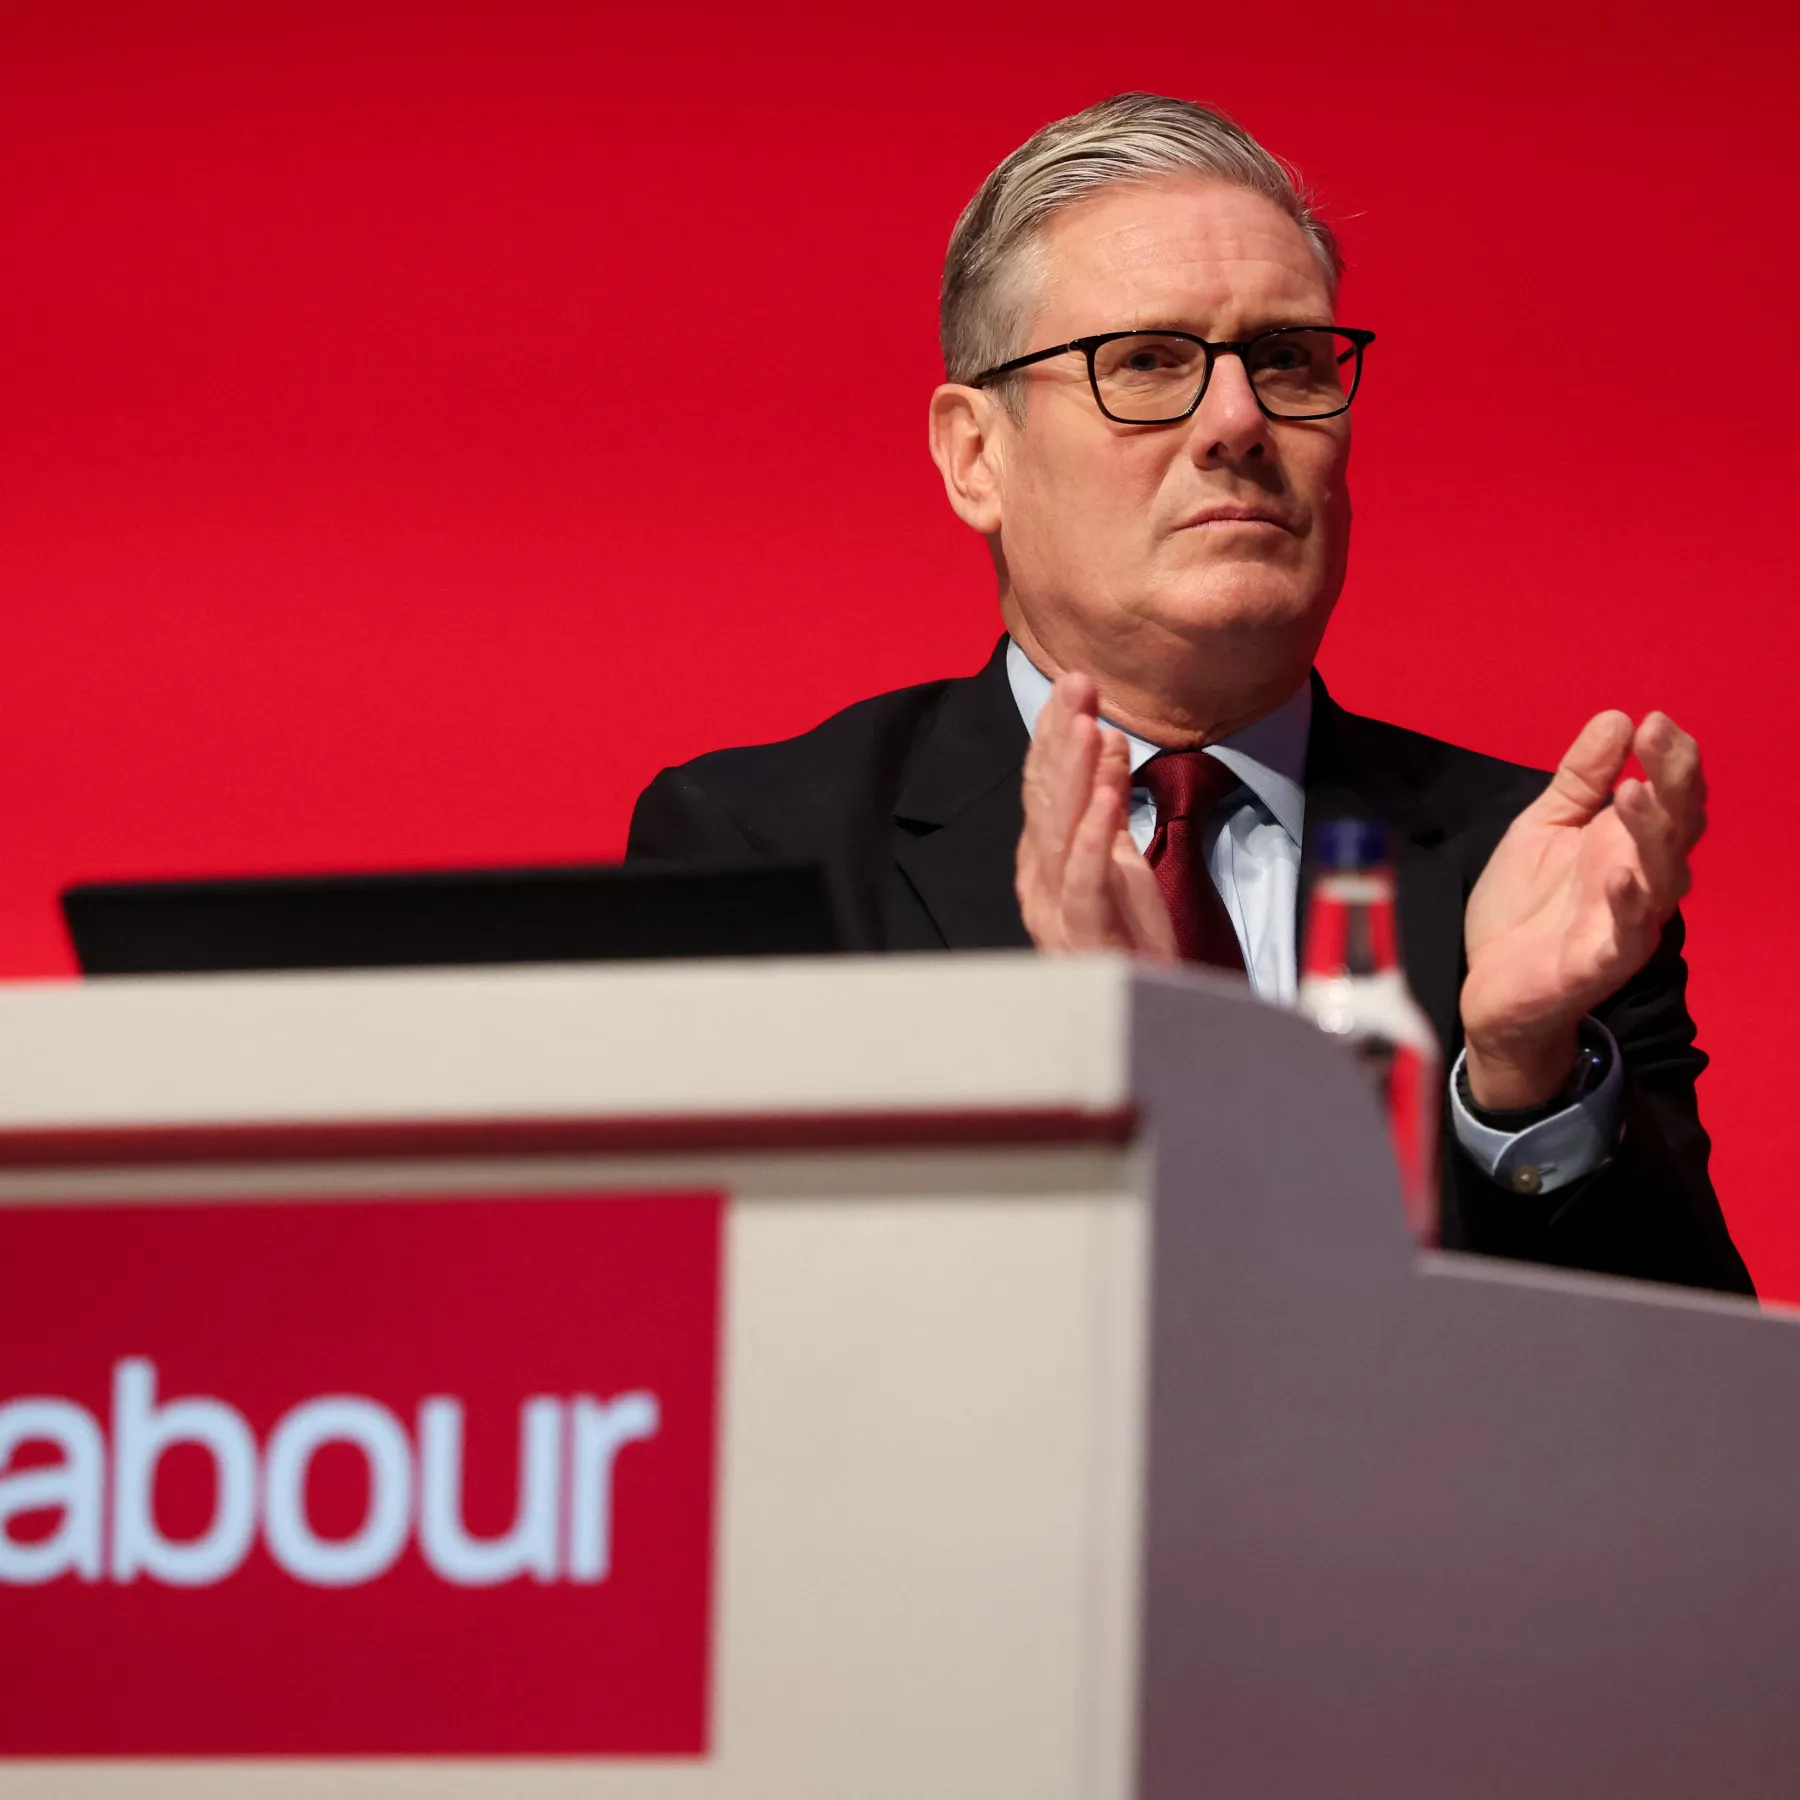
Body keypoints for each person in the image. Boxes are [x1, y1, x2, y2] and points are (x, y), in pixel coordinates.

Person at [627, 93, 1752, 1295]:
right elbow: (720, 1331)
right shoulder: (771, 853)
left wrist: (1524, 1077)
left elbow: (1688, 1383)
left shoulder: (1532, 871)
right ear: (975, 455)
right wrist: (1104, 1057)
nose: (1237, 422)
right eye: (1146, 363)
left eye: (1287, 360)